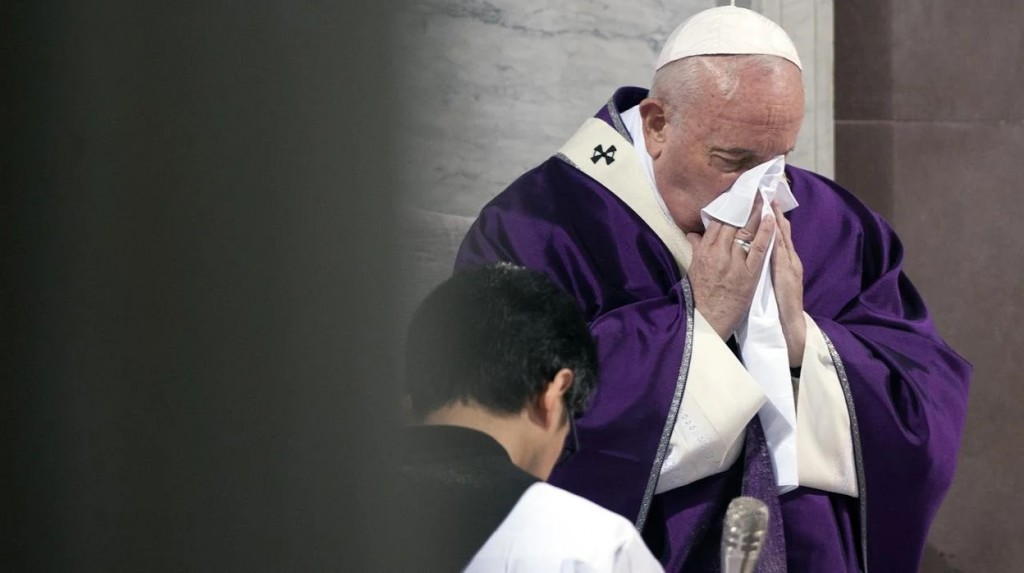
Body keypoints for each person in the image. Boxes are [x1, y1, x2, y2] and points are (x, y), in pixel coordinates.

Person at [453, 5, 971, 573]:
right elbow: (506, 420)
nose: (759, 191)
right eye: (733, 160)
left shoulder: (835, 224)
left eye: (779, 160)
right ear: (656, 126)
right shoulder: (540, 227)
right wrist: (697, 323)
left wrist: (804, 346)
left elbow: (924, 398)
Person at [395, 263, 664, 572]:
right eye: (569, 435)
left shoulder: (335, 508)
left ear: (409, 403)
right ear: (552, 395)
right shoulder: (589, 547)